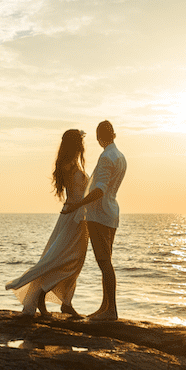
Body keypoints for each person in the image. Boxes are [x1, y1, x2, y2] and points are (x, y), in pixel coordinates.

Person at [5, 129, 88, 317]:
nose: (83, 146)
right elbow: (75, 192)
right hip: (72, 216)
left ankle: (66, 302)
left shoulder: (72, 164)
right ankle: (42, 294)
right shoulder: (68, 166)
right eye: (81, 142)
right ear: (75, 144)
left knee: (77, 261)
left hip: (81, 218)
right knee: (62, 258)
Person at [63, 120, 126, 321]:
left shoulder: (107, 157)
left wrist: (78, 204)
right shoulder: (120, 156)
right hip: (111, 212)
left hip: (99, 215)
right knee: (105, 260)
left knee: (104, 261)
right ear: (113, 134)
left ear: (100, 137)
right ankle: (105, 306)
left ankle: (111, 310)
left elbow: (99, 189)